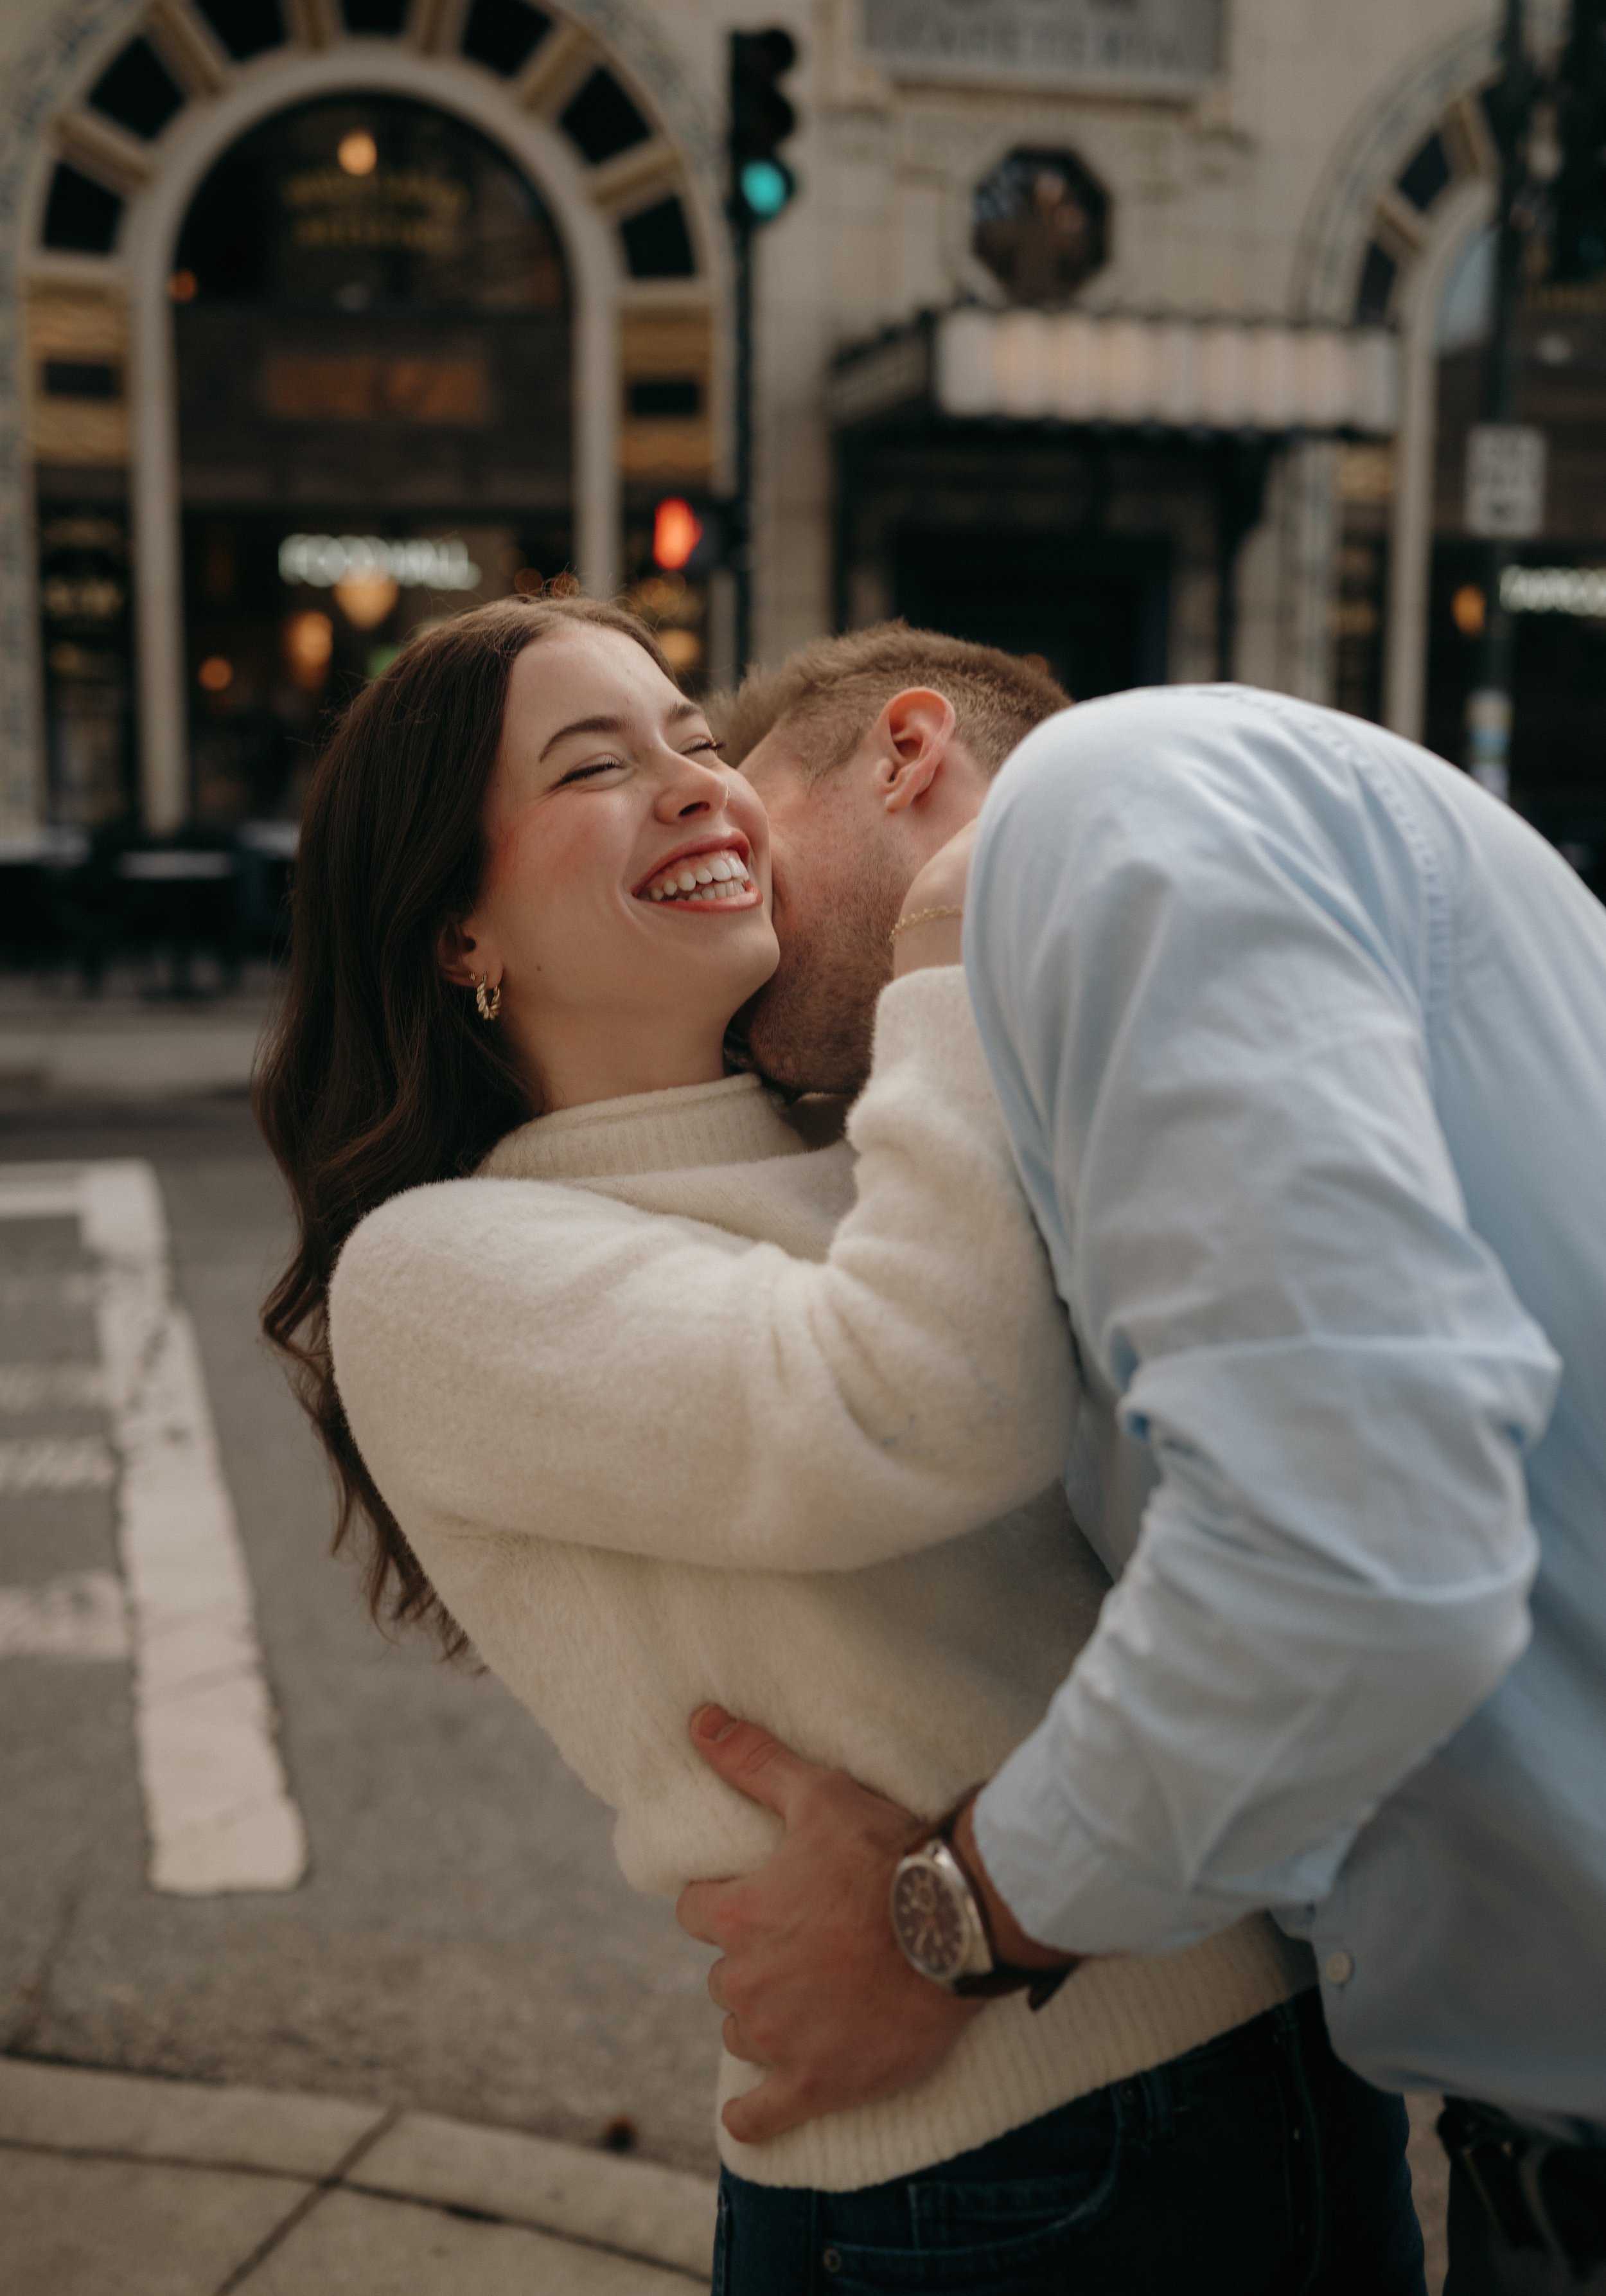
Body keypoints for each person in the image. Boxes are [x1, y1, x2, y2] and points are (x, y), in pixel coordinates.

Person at [257, 599, 1420, 2296]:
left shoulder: (853, 1121)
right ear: (456, 932)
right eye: (596, 763)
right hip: (992, 2164)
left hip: (1283, 2054)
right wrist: (956, 939)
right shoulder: (435, 1272)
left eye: (695, 738)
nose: (690, 784)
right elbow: (909, 1403)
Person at [666, 650, 1606, 2296]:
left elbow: (1352, 1548)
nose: (725, 961)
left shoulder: (1103, 810)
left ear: (902, 753)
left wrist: (943, 1925)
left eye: (752, 841)